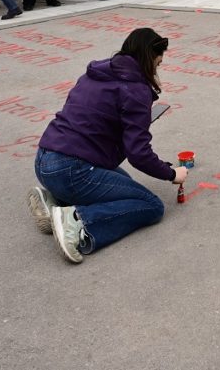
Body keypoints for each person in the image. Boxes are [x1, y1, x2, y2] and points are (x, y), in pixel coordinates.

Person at [28, 28, 186, 263]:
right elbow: (138, 154)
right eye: (158, 62)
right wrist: (172, 173)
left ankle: (54, 201)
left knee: (126, 188)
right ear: (147, 57)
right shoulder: (136, 90)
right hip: (72, 169)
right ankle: (77, 222)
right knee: (149, 205)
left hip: (45, 160)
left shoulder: (96, 73)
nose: (157, 69)